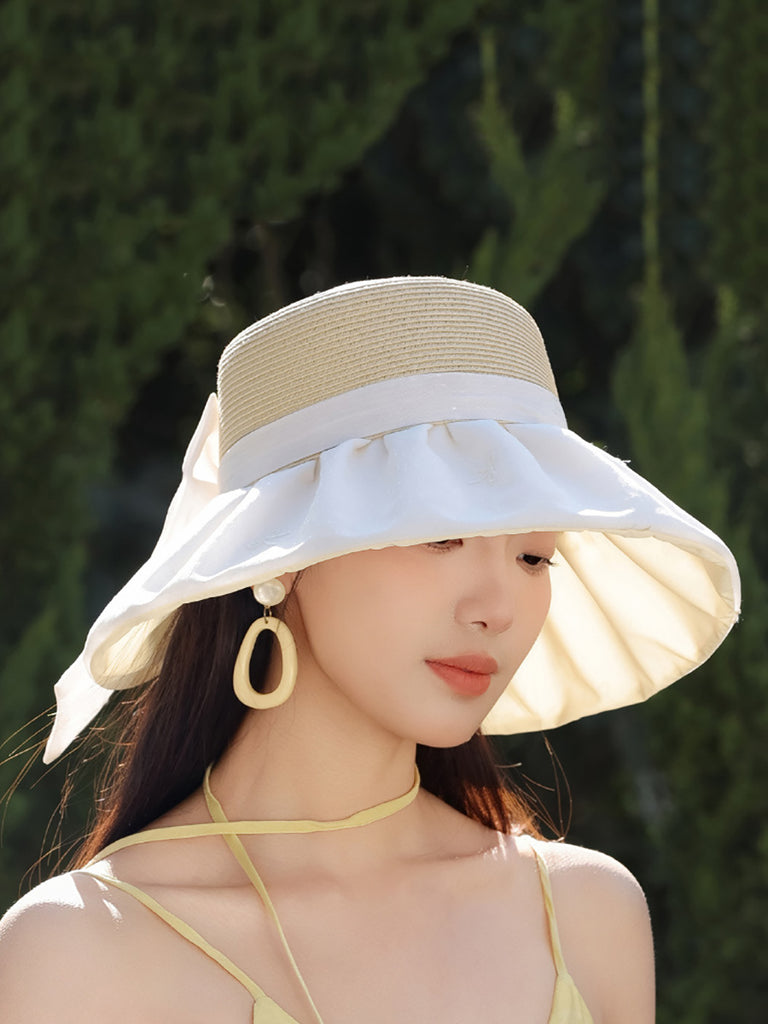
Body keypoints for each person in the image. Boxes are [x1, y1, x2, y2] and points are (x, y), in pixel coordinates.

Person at [0, 277, 739, 1023]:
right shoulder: (80, 951)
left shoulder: (585, 916)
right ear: (281, 557)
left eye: (533, 557)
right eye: (440, 536)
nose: (497, 609)